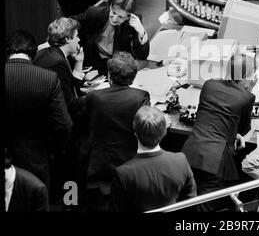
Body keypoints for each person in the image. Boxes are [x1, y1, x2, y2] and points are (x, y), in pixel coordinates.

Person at [181, 54, 257, 212]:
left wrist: (231, 132)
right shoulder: (246, 96)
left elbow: (213, 114)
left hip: (189, 153)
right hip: (215, 162)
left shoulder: (209, 85)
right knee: (203, 209)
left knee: (184, 202)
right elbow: (244, 130)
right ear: (245, 76)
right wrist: (248, 89)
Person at [5, 30, 72, 188]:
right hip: (37, 159)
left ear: (7, 51)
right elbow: (64, 124)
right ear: (33, 52)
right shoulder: (48, 78)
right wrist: (56, 150)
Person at [85, 51, 151, 191]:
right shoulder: (140, 97)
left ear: (109, 76)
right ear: (133, 77)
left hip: (99, 164)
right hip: (130, 162)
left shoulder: (93, 96)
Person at [111, 106, 196, 212]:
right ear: (164, 132)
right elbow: (190, 203)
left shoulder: (123, 173)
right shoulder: (181, 161)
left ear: (136, 134)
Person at [72, 0, 150, 75]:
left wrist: (141, 31)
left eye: (120, 17)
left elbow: (142, 56)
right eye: (113, 13)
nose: (114, 19)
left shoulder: (133, 23)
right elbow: (71, 22)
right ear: (110, 6)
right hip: (94, 63)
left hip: (119, 66)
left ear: (128, 17)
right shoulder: (94, 13)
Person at [33, 17, 86, 122]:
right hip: (54, 121)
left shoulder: (48, 52)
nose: (79, 39)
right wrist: (93, 97)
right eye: (76, 36)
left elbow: (70, 86)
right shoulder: (58, 62)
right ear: (67, 39)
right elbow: (70, 102)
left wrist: (79, 61)